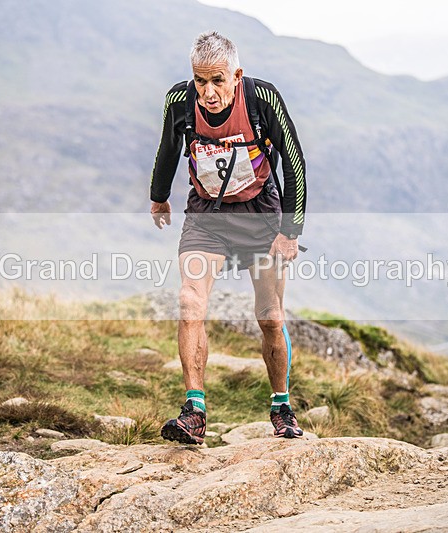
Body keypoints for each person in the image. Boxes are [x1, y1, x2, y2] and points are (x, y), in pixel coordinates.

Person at [149, 31, 307, 444]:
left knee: (270, 315)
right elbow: (169, 148)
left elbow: (294, 162)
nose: (209, 92)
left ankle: (281, 407)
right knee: (189, 301)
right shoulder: (180, 100)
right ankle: (194, 410)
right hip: (207, 215)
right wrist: (159, 197)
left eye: (218, 81)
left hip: (260, 214)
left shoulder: (262, 98)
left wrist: (290, 231)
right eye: (200, 81)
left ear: (236, 75)